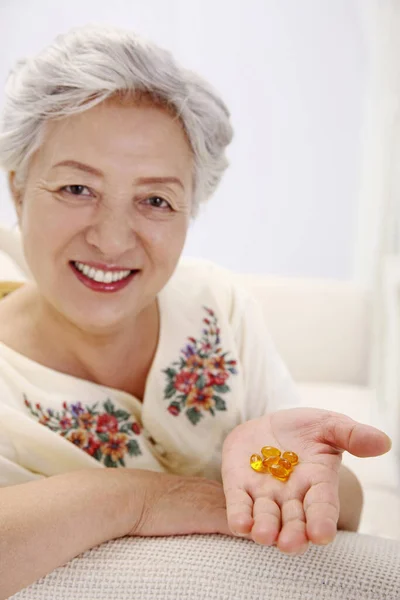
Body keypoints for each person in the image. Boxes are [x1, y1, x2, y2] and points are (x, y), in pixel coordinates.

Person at [0, 24, 391, 598]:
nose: (111, 240)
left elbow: (337, 498)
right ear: (17, 189)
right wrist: (139, 498)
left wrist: (285, 474)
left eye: (155, 200)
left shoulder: (217, 304)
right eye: (76, 189)